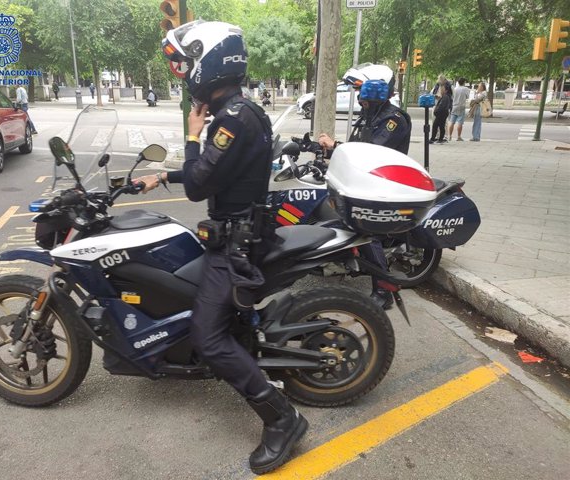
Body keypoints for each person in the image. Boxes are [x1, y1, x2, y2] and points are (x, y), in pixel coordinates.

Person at [136, 20, 307, 475]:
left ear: (208, 62)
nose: (184, 72)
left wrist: (191, 137)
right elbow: (219, 171)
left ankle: (282, 418)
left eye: (188, 61)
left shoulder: (231, 119)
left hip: (235, 245)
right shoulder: (241, 111)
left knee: (208, 338)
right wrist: (162, 175)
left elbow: (199, 183)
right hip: (237, 232)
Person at [317, 64, 412, 310]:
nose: (361, 101)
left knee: (366, 230)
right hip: (366, 180)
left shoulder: (393, 119)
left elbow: (371, 152)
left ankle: (384, 290)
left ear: (377, 96)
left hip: (386, 184)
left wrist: (335, 144)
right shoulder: (370, 116)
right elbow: (355, 146)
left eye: (364, 97)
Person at [447, 77, 470, 142]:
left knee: (452, 122)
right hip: (461, 106)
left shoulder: (455, 89)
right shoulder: (465, 89)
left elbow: (452, 97)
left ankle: (450, 136)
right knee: (460, 122)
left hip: (454, 106)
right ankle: (458, 137)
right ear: (464, 82)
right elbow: (467, 96)